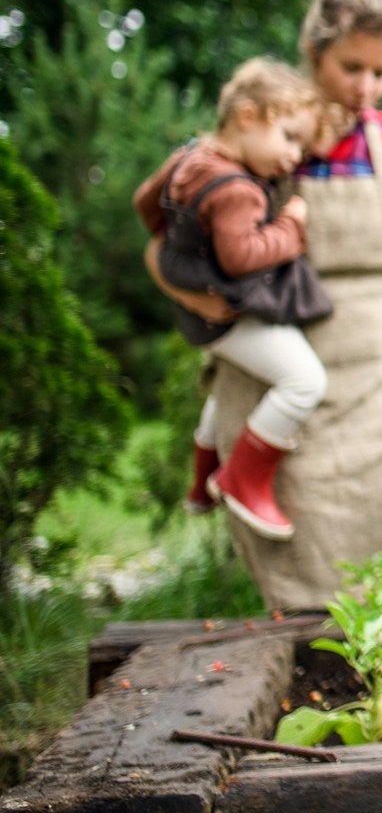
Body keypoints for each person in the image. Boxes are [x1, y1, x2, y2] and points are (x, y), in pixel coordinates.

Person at [146, 0, 382, 609]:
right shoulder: (268, 142)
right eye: (351, 67)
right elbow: (178, 244)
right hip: (282, 394)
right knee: (306, 591)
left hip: (379, 386)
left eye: (381, 71)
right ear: (313, 53)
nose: (366, 85)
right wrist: (191, 295)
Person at [134, 59, 334, 540]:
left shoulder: (188, 158)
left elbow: (145, 202)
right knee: (305, 381)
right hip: (232, 314)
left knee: (228, 389)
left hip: (198, 314)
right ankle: (242, 478)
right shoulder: (238, 189)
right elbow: (244, 257)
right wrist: (292, 226)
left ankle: (202, 481)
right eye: (289, 137)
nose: (294, 157)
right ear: (247, 116)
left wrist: (180, 251)